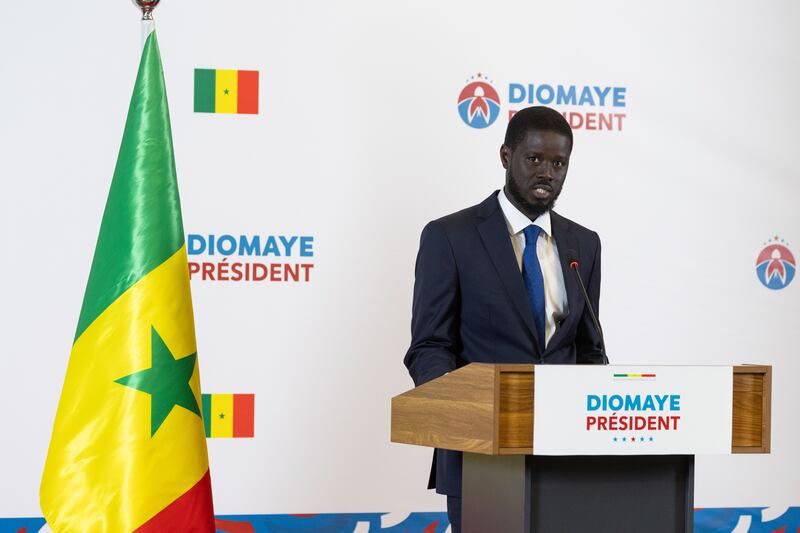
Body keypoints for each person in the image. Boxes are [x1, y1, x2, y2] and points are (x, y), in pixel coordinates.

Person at [403, 106, 607, 532]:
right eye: (534, 159)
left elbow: (589, 351)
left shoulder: (583, 245)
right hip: (481, 457)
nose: (547, 172)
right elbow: (429, 348)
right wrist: (461, 415)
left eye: (559, 163)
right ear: (505, 156)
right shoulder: (449, 237)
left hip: (565, 459)